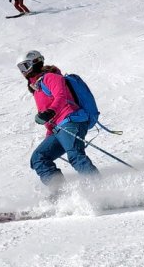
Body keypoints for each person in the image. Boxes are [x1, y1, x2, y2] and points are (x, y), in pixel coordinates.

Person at [18, 51, 98, 189]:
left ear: (35, 62)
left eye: (24, 66)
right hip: (58, 129)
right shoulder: (37, 89)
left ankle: (100, 190)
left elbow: (60, 97)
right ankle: (61, 194)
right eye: (20, 68)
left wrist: (50, 111)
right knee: (39, 158)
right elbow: (48, 118)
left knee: (75, 156)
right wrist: (50, 133)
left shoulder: (51, 77)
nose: (23, 72)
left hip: (71, 121)